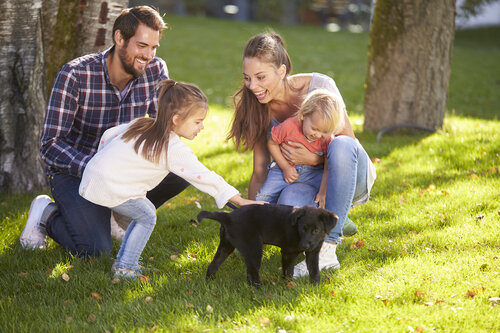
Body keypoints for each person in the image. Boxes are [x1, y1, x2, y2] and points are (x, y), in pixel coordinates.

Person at [20, 6, 190, 257]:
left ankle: (116, 213)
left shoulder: (155, 70)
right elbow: (50, 144)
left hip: (122, 168)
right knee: (95, 250)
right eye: (142, 45)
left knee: (179, 168)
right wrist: (97, 167)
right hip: (75, 171)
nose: (149, 55)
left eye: (154, 47)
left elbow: (160, 127)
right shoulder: (76, 74)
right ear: (119, 38)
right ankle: (47, 213)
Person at [228, 32, 376, 278]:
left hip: (347, 173)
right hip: (303, 178)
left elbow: (347, 143)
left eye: (260, 77)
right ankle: (336, 217)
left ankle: (328, 247)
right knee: (289, 202)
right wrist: (252, 221)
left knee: (340, 146)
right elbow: (260, 169)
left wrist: (314, 159)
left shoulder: (320, 86)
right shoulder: (257, 108)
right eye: (247, 78)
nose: (252, 86)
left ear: (282, 70)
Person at [79, 80, 257, 278]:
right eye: (197, 121)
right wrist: (239, 199)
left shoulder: (143, 123)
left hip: (94, 177)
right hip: (110, 186)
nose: (202, 127)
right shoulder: (173, 148)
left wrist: (100, 160)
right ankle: (125, 268)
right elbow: (204, 176)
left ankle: (123, 261)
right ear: (176, 119)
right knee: (147, 216)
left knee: (143, 213)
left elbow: (108, 134)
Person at [256, 89, 345, 209]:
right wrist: (285, 167)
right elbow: (272, 143)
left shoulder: (328, 139)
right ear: (303, 115)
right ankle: (258, 219)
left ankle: (337, 218)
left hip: (313, 173)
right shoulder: (289, 126)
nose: (318, 135)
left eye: (324, 132)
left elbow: (327, 169)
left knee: (332, 194)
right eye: (314, 128)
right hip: (282, 170)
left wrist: (323, 192)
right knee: (264, 197)